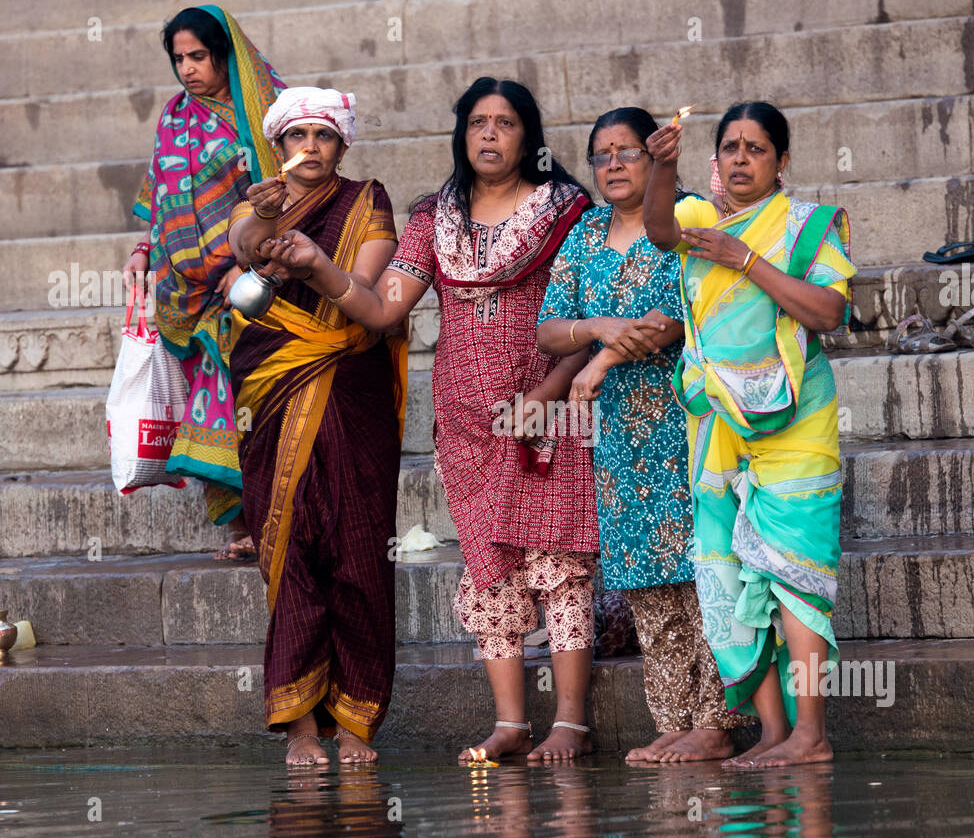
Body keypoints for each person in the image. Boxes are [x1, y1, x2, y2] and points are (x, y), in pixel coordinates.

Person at [277, 77, 598, 762]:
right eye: (477, 122)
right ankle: (511, 722)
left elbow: (585, 315)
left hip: (551, 411)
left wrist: (550, 390)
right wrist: (317, 266)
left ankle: (570, 721)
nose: (489, 135)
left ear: (528, 136)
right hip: (468, 424)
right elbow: (383, 307)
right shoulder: (434, 217)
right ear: (461, 135)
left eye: (505, 123)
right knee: (491, 566)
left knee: (559, 562)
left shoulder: (565, 210)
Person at [537, 107, 754, 762]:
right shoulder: (584, 236)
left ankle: (719, 719)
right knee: (645, 580)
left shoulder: (686, 215)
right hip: (620, 440)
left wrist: (610, 348)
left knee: (701, 568)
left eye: (627, 150)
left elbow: (671, 317)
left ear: (655, 155)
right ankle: (674, 718)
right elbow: (551, 329)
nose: (612, 165)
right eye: (601, 155)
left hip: (689, 418)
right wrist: (600, 330)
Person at [644, 101, 856, 768]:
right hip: (715, 424)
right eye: (730, 146)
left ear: (782, 161)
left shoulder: (807, 225)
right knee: (727, 574)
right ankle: (772, 733)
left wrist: (746, 259)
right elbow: (655, 229)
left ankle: (812, 735)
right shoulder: (698, 222)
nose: (741, 158)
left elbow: (829, 310)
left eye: (756, 148)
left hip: (796, 419)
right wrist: (661, 165)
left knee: (795, 574)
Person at [226, 87, 404, 765]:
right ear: (278, 146)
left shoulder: (367, 200)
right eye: (296, 135)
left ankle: (356, 722)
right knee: (291, 547)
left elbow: (367, 289)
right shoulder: (260, 198)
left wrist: (314, 265)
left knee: (358, 549)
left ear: (342, 145)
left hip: (350, 386)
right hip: (273, 387)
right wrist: (260, 225)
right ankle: (300, 725)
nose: (309, 147)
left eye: (323, 136)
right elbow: (242, 245)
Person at [122, 5, 284, 560]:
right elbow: (161, 194)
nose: (188, 69)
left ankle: (272, 521)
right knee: (209, 402)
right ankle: (242, 527)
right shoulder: (174, 116)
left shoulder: (266, 109)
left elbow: (288, 190)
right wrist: (143, 249)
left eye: (198, 56)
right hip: (186, 288)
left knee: (250, 401)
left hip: (256, 279)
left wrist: (250, 259)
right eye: (179, 59)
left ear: (225, 53)